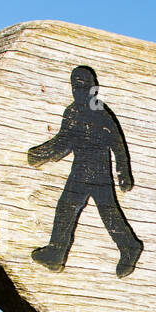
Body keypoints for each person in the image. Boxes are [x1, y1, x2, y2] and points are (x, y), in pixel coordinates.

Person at [28, 65, 143, 278]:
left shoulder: (99, 112)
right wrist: (41, 154)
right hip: (84, 171)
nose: (79, 91)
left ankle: (129, 246)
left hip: (95, 173)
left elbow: (117, 143)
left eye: (84, 87)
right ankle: (58, 252)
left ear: (94, 88)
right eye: (76, 87)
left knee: (103, 213)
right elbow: (63, 142)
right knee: (72, 209)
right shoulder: (74, 111)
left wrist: (124, 173)